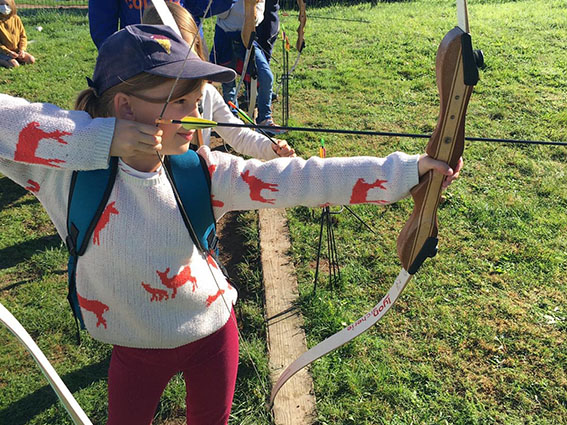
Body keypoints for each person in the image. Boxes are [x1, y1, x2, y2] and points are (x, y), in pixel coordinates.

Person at [0, 24, 461, 425]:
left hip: (212, 335)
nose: (198, 115)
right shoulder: (66, 176)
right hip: (134, 349)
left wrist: (409, 173)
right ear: (124, 108)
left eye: (197, 99)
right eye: (180, 101)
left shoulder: (202, 171)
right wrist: (102, 139)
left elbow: (300, 180)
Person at [143, 1, 294, 158]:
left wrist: (269, 148)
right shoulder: (139, 100)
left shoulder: (207, 94)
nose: (182, 61)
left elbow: (238, 134)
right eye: (170, 53)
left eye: (187, 51)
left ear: (197, 48)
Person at [212, 0, 284, 135]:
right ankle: (232, 119)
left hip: (248, 34)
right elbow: (221, 13)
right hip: (225, 35)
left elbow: (258, 19)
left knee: (266, 76)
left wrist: (250, 6)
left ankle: (264, 119)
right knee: (228, 79)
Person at [88, 0, 237, 49]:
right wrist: (118, 56)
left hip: (185, 49)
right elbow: (103, 29)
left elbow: (202, 6)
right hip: (138, 55)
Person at [0, 0, 35, 69]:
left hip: (16, 50)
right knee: (14, 65)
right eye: (1, 4)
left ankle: (15, 58)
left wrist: (22, 50)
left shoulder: (16, 19)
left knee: (31, 59)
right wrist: (8, 52)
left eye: (7, 4)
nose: (4, 6)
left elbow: (23, 36)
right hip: (3, 52)